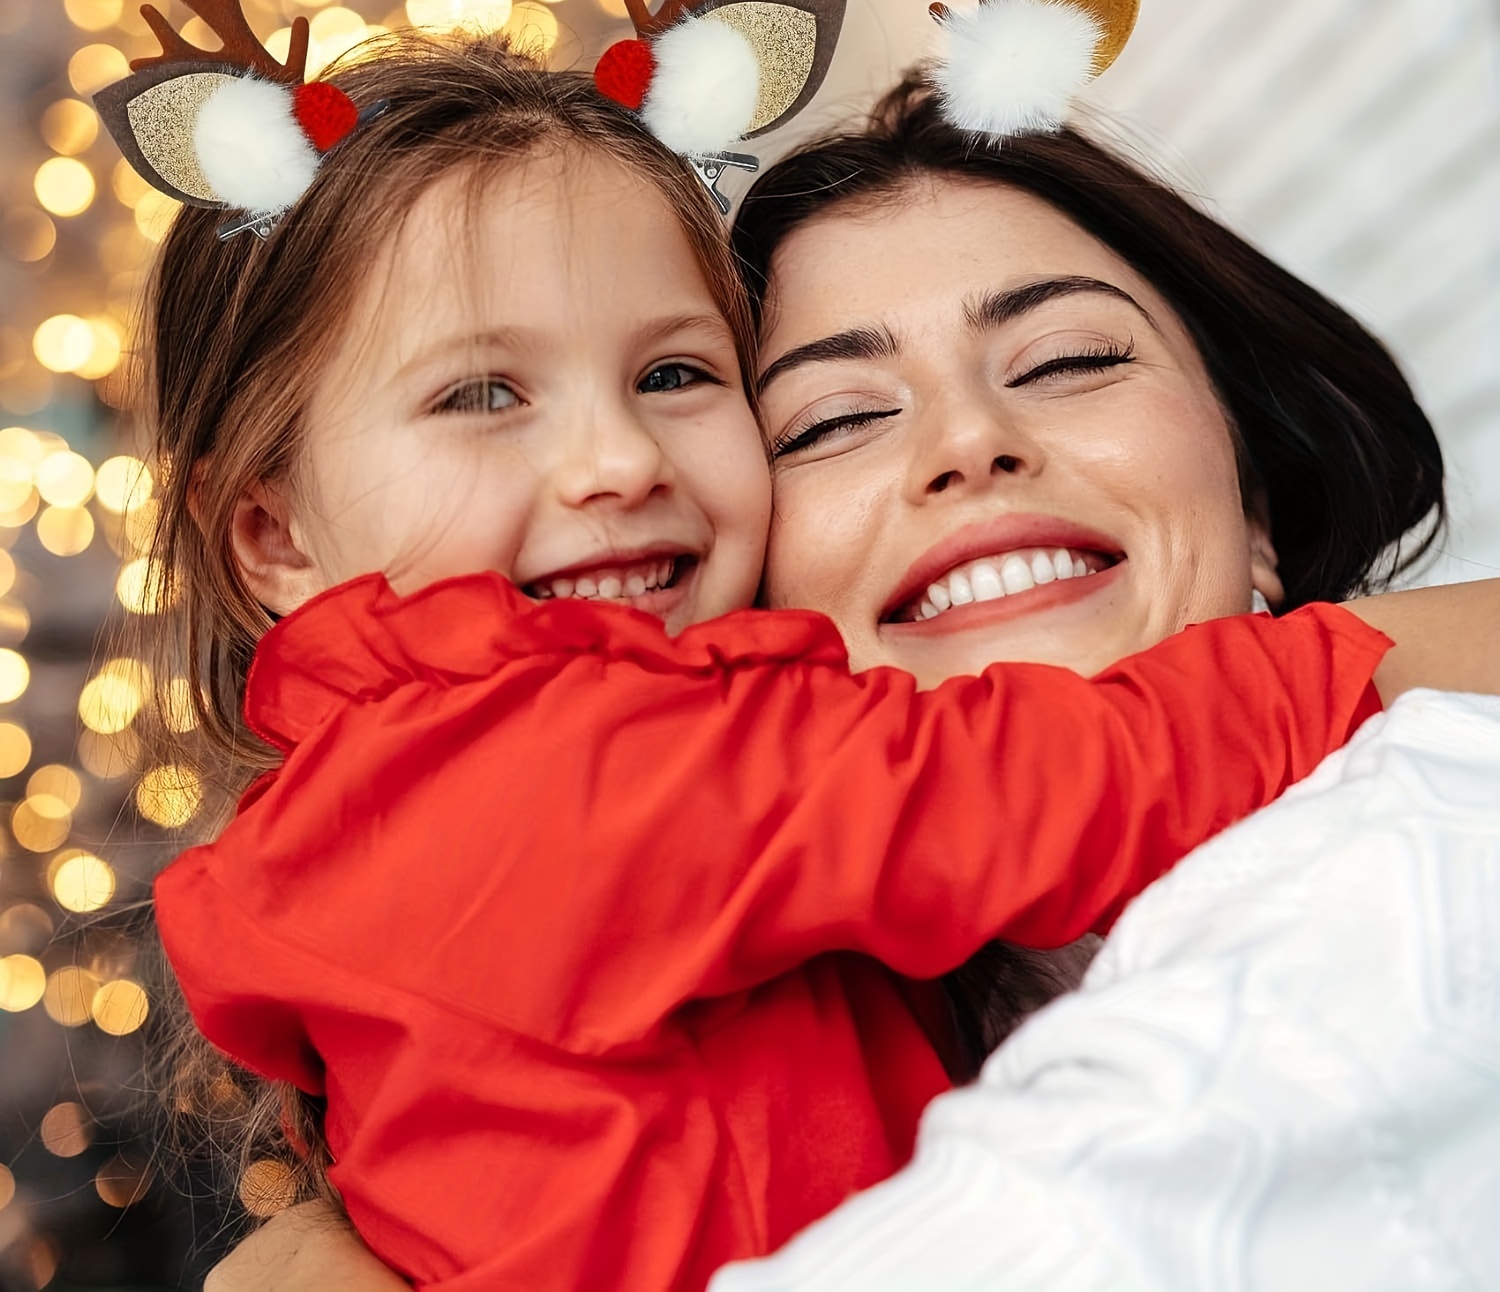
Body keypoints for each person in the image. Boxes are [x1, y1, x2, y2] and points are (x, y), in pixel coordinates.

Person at [199, 71, 1499, 1292]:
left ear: (1258, 499)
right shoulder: (555, 771)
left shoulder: (1418, 871)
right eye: (828, 423)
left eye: (676, 378)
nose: (617, 461)